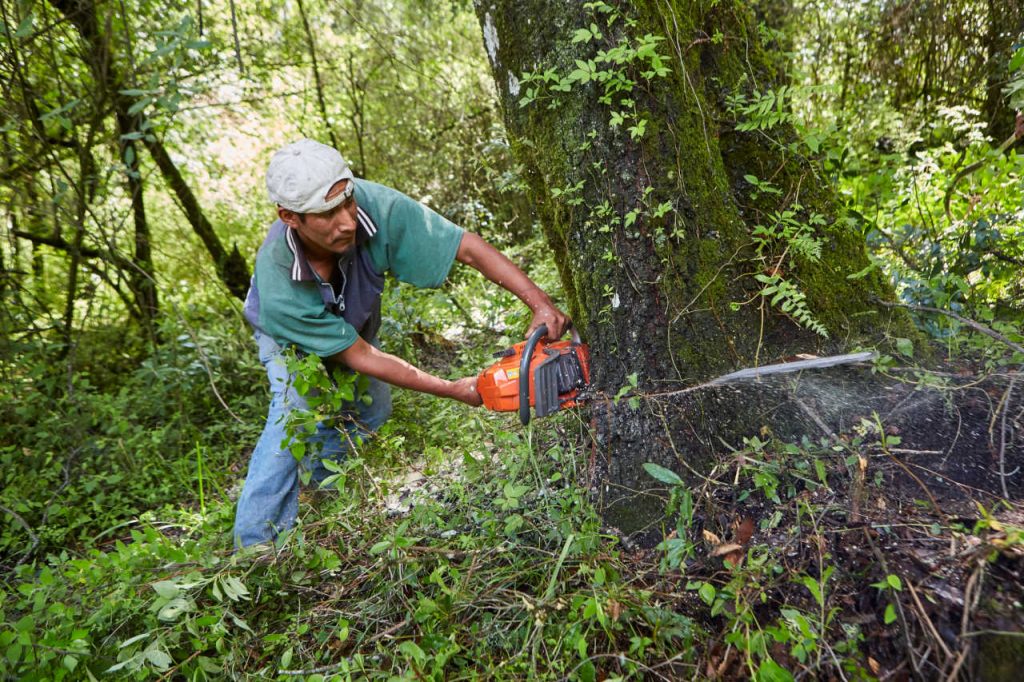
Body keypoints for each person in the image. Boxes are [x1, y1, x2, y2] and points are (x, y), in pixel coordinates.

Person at [233, 138, 569, 547]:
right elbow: (359, 355)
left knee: (373, 409)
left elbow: (465, 246)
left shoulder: (375, 206)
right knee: (295, 413)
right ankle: (256, 548)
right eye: (327, 214)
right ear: (290, 217)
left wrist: (541, 304)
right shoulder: (279, 280)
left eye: (348, 202)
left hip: (352, 313)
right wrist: (453, 389)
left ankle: (320, 492)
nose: (347, 222)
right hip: (286, 334)